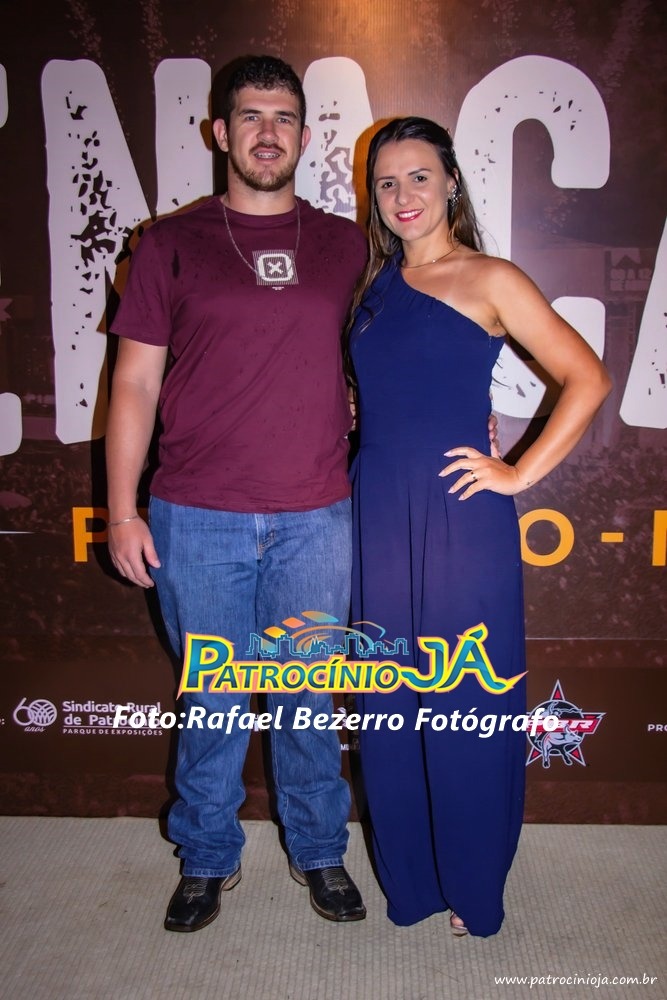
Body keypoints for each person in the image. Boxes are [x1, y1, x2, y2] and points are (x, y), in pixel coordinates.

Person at [105, 56, 369, 932]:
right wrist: (121, 509)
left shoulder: (345, 245)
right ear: (219, 132)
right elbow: (134, 383)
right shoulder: (169, 243)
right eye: (250, 115)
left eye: (284, 117)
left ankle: (319, 849)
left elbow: (400, 345)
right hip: (196, 516)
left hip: (315, 514)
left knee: (306, 697)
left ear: (304, 134)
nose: (267, 132)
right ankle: (206, 857)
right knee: (214, 700)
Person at [347, 117, 611, 937]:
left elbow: (587, 377)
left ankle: (470, 884)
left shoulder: (490, 277)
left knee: (465, 700)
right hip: (377, 513)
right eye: (387, 182)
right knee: (389, 704)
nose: (403, 195)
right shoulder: (371, 287)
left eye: (419, 177)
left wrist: (518, 473)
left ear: (451, 183)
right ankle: (414, 883)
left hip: (461, 518)